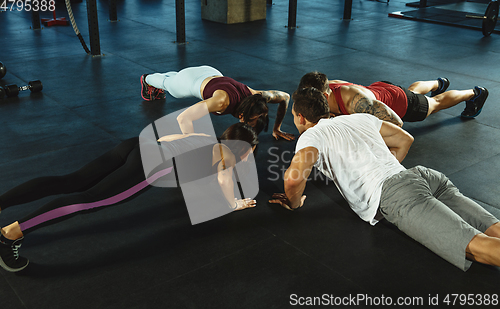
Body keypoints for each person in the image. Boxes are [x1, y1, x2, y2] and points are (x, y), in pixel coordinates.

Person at [269, 87, 500, 271]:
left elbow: (293, 178)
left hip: (399, 195)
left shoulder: (311, 136)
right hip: (422, 176)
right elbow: (405, 139)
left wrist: (294, 202)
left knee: (477, 248)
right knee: (494, 229)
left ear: (300, 117)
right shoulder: (357, 119)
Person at [0, 123, 258, 273]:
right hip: (149, 168)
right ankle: (11, 234)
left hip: (134, 146)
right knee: (87, 200)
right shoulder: (227, 157)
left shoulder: (207, 136)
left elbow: (170, 139)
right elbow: (224, 182)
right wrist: (235, 203)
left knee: (72, 180)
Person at [141, 65, 295, 140]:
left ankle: (173, 77)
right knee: (170, 85)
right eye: (250, 123)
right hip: (190, 81)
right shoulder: (221, 102)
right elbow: (183, 118)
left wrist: (277, 129)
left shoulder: (257, 96)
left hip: (211, 72)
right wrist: (193, 141)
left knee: (175, 78)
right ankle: (146, 79)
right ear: (241, 116)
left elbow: (285, 97)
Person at [297, 72, 489, 127]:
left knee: (434, 104)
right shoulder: (320, 89)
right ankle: (438, 83)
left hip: (398, 104)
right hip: (379, 89)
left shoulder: (358, 104)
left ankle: (475, 93)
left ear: (324, 95)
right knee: (412, 91)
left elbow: (395, 123)